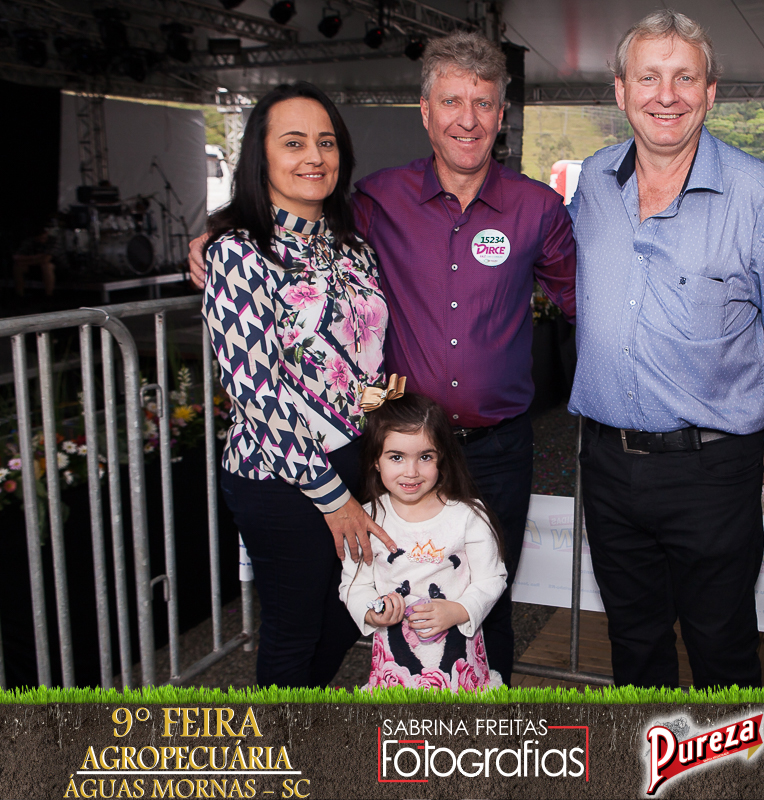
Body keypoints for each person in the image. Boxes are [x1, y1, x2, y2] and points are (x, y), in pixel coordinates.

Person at [193, 32, 577, 685]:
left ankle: (482, 741)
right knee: (343, 612)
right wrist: (216, 233)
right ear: (424, 112)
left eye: (483, 103)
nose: (467, 118)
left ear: (502, 114)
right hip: (377, 457)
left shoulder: (534, 209)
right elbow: (258, 379)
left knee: (482, 602)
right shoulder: (376, 202)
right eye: (451, 100)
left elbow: (582, 304)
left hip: (488, 454)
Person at [568, 9, 764, 689]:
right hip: (608, 464)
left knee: (722, 649)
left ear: (710, 93)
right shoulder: (591, 182)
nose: (665, 95)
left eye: (684, 78)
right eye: (649, 77)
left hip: (712, 469)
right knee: (633, 646)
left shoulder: (761, 196)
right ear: (621, 91)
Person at [203, 82, 397, 688]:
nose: (314, 156)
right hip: (280, 475)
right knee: (295, 629)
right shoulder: (236, 253)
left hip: (354, 456)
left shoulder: (352, 249)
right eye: (294, 143)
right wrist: (332, 496)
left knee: (347, 615)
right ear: (261, 158)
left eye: (326, 142)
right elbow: (257, 393)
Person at [340, 389, 507, 691]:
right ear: (376, 461)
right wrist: (371, 611)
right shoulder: (366, 520)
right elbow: (355, 585)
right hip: (394, 672)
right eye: (396, 457)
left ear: (442, 457)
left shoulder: (468, 516)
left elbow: (492, 578)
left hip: (461, 674)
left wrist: (458, 610)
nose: (411, 471)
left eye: (425, 456)